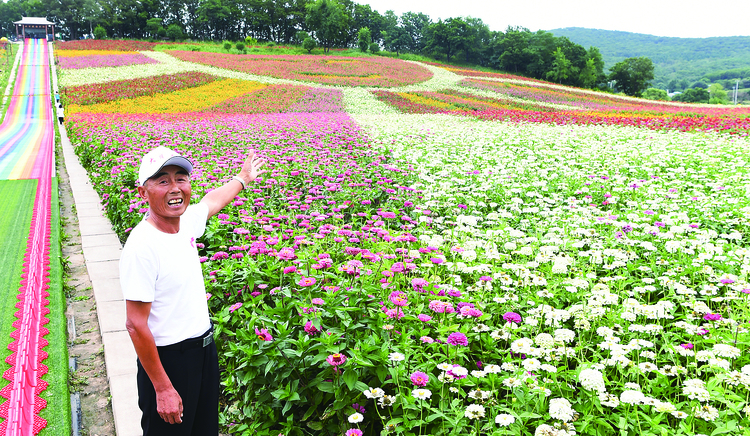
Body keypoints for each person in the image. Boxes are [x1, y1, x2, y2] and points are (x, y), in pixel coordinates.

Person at [120, 146, 266, 435]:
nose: (175, 188)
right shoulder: (142, 246)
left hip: (203, 351)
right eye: (162, 181)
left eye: (180, 178)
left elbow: (212, 201)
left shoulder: (184, 223)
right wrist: (162, 387)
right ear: (143, 192)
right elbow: (135, 324)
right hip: (169, 361)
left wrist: (242, 178)